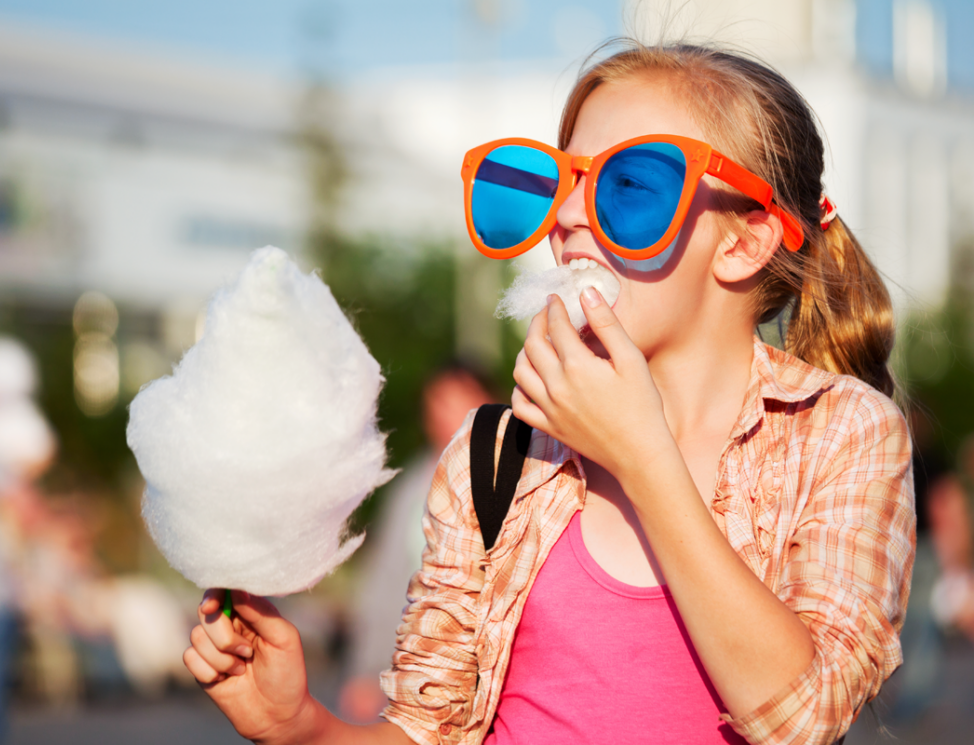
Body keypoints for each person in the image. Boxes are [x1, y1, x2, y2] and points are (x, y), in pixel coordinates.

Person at [182, 41, 916, 745]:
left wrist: (643, 459)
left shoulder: (843, 431)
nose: (566, 219)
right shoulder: (493, 456)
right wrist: (299, 726)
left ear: (744, 241)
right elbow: (427, 729)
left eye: (628, 185)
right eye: (564, 183)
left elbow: (805, 717)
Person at [339, 362, 497, 722]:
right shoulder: (410, 490)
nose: (443, 415)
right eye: (436, 404)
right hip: (418, 679)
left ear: (488, 400)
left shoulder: (520, 476)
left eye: (456, 401)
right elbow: (384, 583)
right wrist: (366, 669)